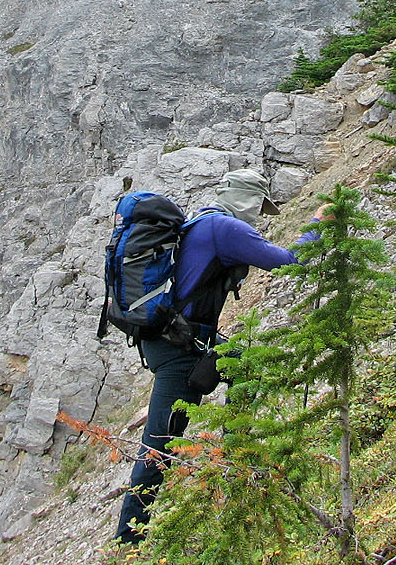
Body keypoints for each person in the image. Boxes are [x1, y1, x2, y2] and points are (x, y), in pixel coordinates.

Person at [113, 167, 315, 545]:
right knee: (159, 445)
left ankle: (238, 462)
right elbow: (291, 261)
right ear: (250, 200)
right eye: (259, 206)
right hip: (179, 350)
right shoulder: (226, 229)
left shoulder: (203, 222)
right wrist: (320, 223)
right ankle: (128, 543)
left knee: (244, 363)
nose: (259, 215)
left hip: (178, 338)